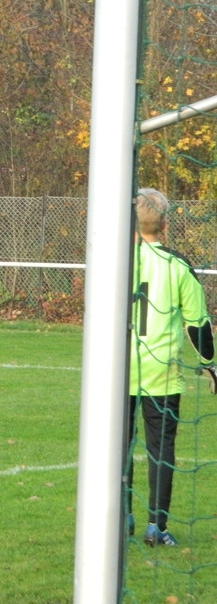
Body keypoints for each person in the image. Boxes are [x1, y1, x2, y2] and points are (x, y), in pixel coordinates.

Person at [126, 187, 216, 547]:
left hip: (117, 372)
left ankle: (121, 518)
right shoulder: (178, 265)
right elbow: (199, 324)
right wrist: (210, 366)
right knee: (160, 449)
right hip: (161, 373)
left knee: (117, 446)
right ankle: (156, 527)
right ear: (164, 224)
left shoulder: (116, 261)